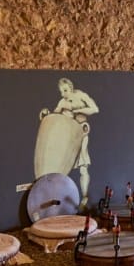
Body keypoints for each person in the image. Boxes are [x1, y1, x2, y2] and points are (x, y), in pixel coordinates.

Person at [40, 78, 99, 208]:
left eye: (65, 90)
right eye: (61, 91)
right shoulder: (62, 102)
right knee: (61, 166)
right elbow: (55, 117)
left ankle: (85, 196)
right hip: (67, 137)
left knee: (83, 167)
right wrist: (47, 114)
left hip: (81, 133)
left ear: (71, 88)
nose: (63, 94)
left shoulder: (81, 96)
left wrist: (75, 110)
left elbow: (94, 109)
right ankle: (54, 196)